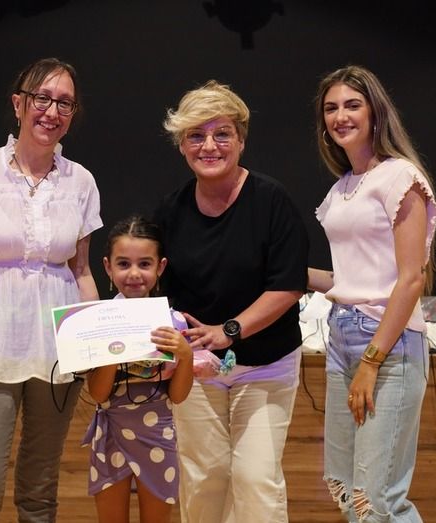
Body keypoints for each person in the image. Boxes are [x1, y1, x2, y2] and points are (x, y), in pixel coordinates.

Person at [0, 57, 103, 522]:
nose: (52, 111)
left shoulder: (81, 181)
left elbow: (82, 270)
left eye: (65, 103)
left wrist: (94, 346)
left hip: (57, 351)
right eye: (42, 98)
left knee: (39, 490)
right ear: (18, 104)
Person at [153, 80, 309, 523]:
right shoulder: (170, 211)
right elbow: (156, 288)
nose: (209, 146)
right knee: (205, 478)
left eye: (222, 134)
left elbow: (288, 285)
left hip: (265, 365)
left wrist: (228, 331)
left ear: (241, 140)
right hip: (197, 369)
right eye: (196, 135)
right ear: (181, 144)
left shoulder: (272, 201)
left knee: (255, 479)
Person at [308, 65, 436, 522]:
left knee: (377, 497)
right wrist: (286, 273)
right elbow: (348, 280)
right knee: (345, 487)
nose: (340, 116)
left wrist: (371, 361)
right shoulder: (343, 187)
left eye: (352, 105)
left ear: (375, 113)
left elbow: (410, 279)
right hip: (342, 337)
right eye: (331, 108)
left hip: (387, 343)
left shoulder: (400, 176)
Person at [83, 215, 194, 523]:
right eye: (123, 264)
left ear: (160, 267)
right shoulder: (96, 323)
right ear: (108, 267)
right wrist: (111, 351)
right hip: (111, 434)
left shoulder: (173, 323)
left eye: (145, 264)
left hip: (158, 433)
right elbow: (98, 394)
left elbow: (178, 396)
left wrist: (185, 355)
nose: (134, 274)